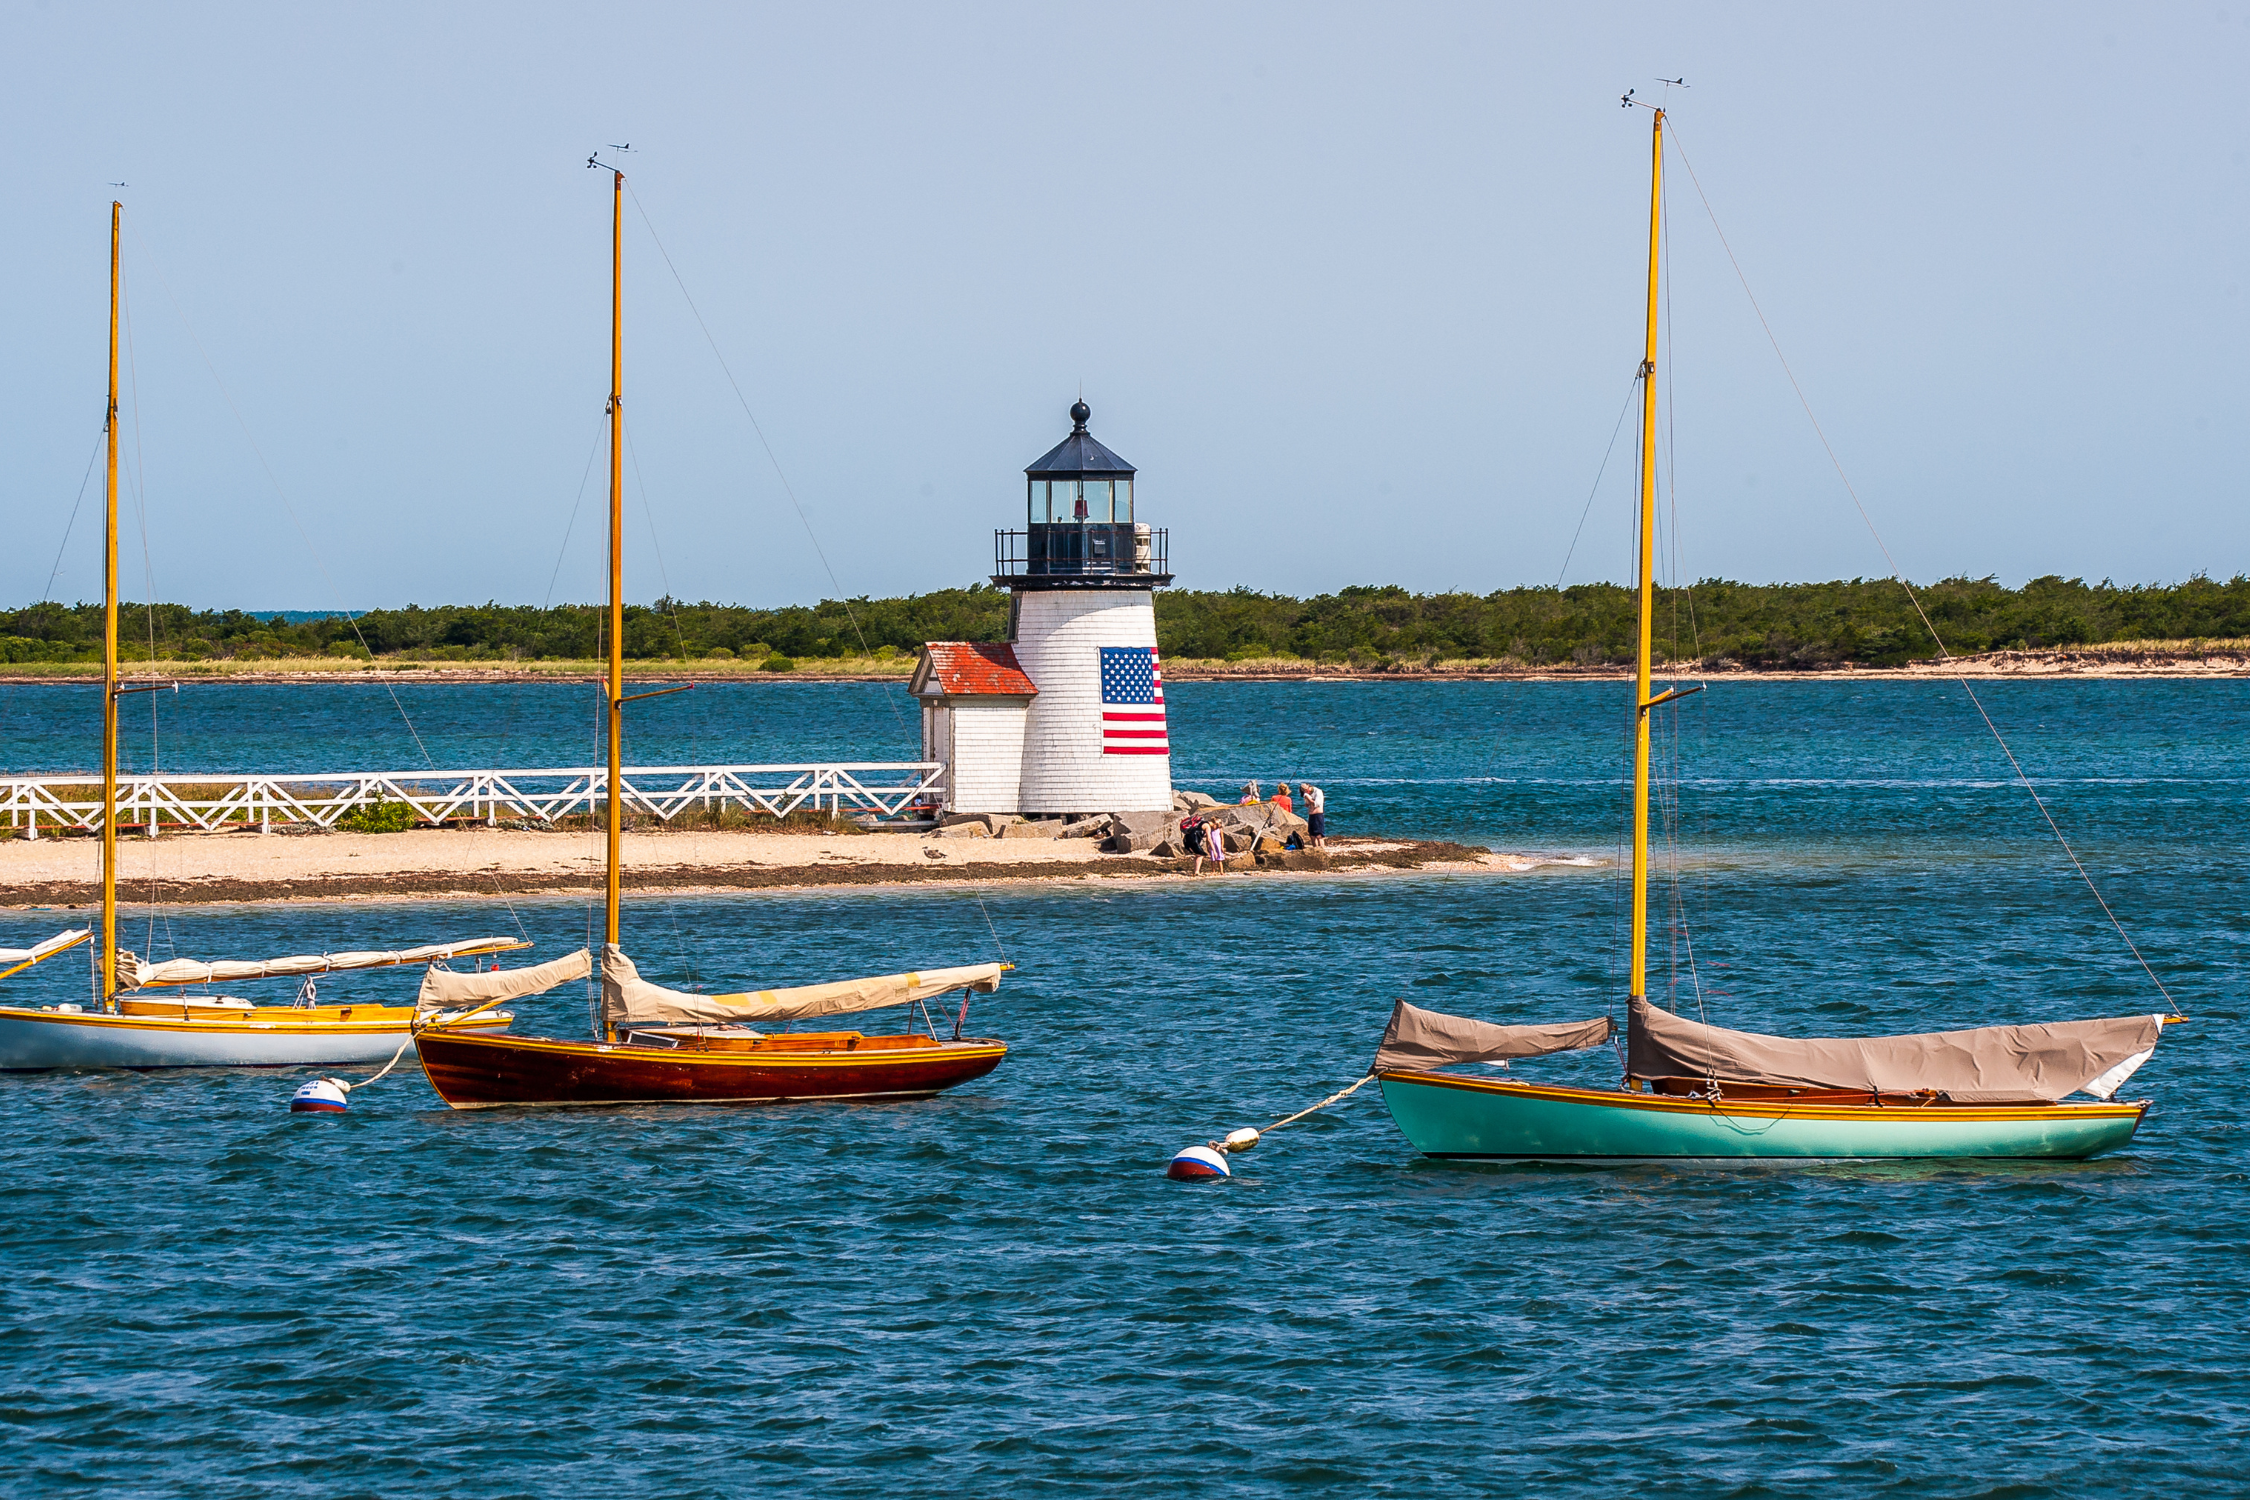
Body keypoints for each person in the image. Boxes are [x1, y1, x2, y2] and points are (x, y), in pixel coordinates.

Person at [1299, 782, 1327, 850]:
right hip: (1311, 815)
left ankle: (1322, 850)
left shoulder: (1318, 792)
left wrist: (1308, 798)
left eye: (1306, 790)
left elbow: (1316, 804)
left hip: (1317, 815)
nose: (1306, 792)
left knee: (1318, 835)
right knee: (1312, 835)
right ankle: (1315, 849)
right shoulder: (1307, 794)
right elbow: (1309, 803)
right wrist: (1307, 803)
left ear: (1309, 786)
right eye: (1304, 791)